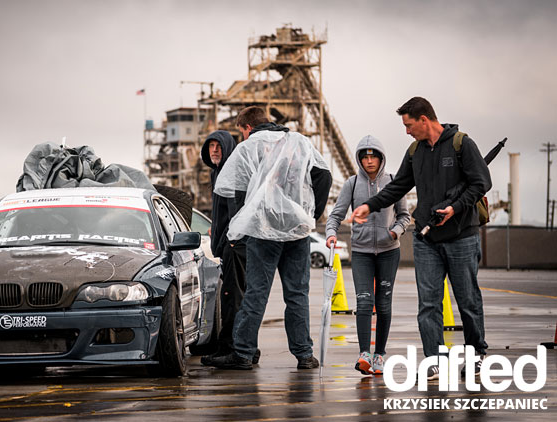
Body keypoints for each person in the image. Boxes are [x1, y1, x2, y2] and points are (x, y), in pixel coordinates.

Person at [349, 97, 492, 380]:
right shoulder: (415, 151)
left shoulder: (462, 144)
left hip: (462, 237)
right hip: (426, 239)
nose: (406, 131)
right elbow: (399, 185)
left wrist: (455, 207)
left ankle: (476, 354)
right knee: (428, 303)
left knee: (467, 300)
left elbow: (481, 182)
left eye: (409, 125)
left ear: (424, 120)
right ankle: (435, 360)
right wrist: (370, 205)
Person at [209, 106, 332, 370]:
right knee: (297, 293)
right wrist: (311, 214)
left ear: (247, 128)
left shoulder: (247, 148)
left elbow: (234, 190)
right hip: (296, 229)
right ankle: (304, 355)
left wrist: (245, 222)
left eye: (241, 132)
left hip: (263, 230)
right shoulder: (299, 141)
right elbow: (324, 175)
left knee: (256, 293)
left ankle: (242, 352)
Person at [325, 136, 410, 376]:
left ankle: (379, 355)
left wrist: (395, 232)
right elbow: (335, 216)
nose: (369, 161)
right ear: (360, 159)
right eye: (365, 156)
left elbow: (405, 215)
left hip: (388, 252)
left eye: (374, 156)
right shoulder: (352, 184)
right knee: (364, 301)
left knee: (383, 304)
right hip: (361, 252)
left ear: (381, 158)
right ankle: (364, 354)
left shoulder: (394, 183)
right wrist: (331, 234)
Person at [199, 130, 259, 365]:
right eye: (210, 146)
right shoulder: (217, 174)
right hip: (227, 244)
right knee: (235, 298)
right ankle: (246, 348)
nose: (214, 150)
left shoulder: (233, 172)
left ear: (228, 148)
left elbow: (237, 209)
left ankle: (232, 349)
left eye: (219, 146)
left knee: (233, 298)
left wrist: (232, 240)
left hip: (235, 245)